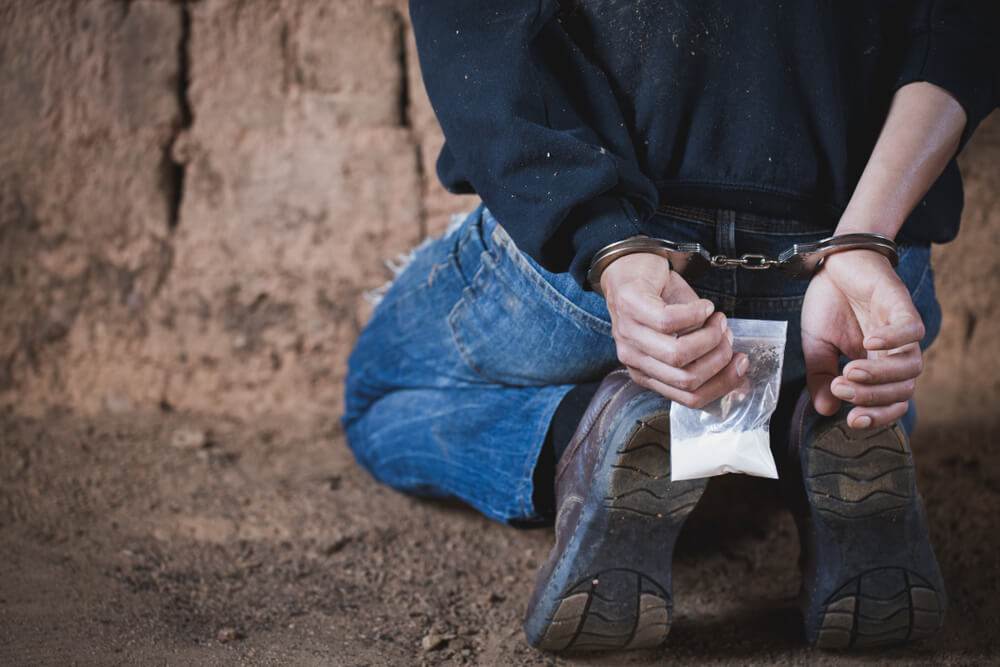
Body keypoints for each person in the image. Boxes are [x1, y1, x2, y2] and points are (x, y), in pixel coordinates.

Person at [342, 1, 998, 652]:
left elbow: (476, 26)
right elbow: (966, 24)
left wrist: (609, 245)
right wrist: (863, 241)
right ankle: (818, 423)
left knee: (379, 393)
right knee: (850, 389)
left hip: (626, 254)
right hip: (845, 277)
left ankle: (584, 437)